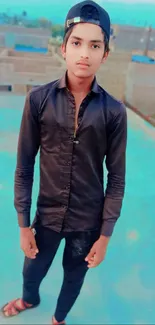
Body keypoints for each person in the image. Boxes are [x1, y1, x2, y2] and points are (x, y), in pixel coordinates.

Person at [1, 0, 127, 323]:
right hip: (46, 217)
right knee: (32, 269)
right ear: (64, 48)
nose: (84, 53)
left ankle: (58, 318)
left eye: (95, 45)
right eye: (77, 43)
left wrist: (105, 235)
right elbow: (25, 165)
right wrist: (22, 223)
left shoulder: (113, 112)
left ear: (105, 53)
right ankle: (29, 300)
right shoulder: (38, 101)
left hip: (87, 223)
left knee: (74, 278)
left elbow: (116, 178)